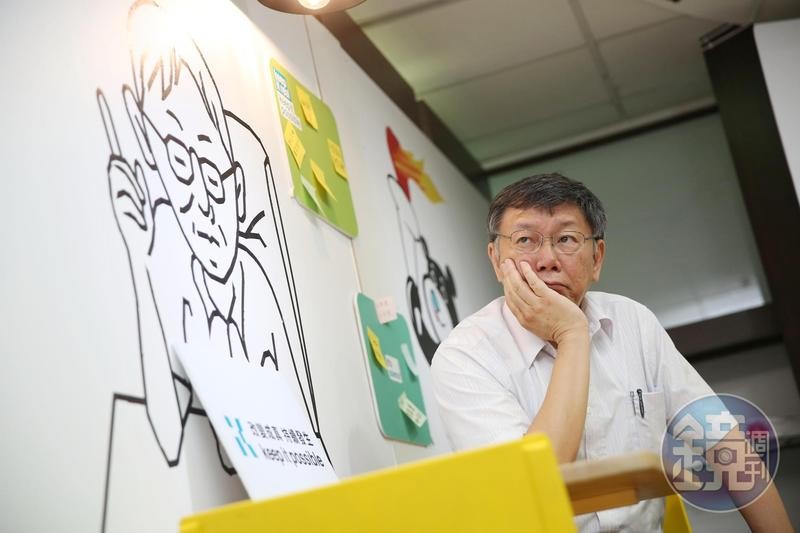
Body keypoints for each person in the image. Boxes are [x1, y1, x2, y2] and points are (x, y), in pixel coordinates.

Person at [430, 173, 791, 531]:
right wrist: (572, 334)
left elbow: (724, 442)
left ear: (597, 257)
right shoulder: (465, 356)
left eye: (567, 239)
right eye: (525, 240)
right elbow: (537, 484)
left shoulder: (633, 322)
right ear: (496, 260)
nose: (547, 259)